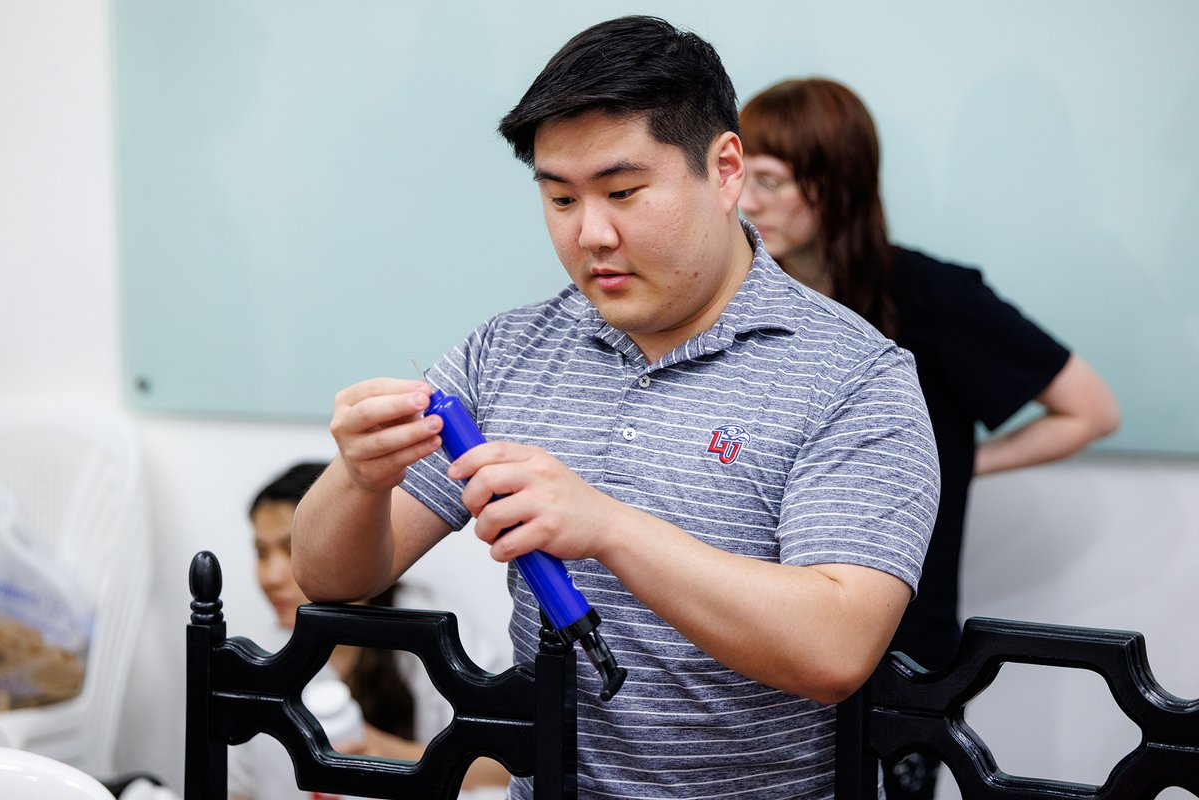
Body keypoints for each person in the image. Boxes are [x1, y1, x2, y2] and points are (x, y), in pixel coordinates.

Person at [292, 16, 940, 799]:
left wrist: (607, 526)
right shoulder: (508, 350)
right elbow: (330, 577)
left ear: (725, 168)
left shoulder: (853, 374)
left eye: (624, 192)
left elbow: (836, 649)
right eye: (560, 198)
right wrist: (357, 480)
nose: (590, 233)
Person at [737, 77, 1121, 799]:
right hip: (766, 636)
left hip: (901, 641)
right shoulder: (745, 303)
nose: (746, 203)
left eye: (770, 181)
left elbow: (1090, 410)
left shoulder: (932, 297)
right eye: (739, 178)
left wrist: (956, 465)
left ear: (837, 182)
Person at [231, 462, 509, 800]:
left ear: (340, 546)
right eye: (261, 553)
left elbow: (507, 764)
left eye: (291, 549)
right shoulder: (263, 661)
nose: (271, 576)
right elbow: (239, 789)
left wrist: (385, 751)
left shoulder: (430, 631)